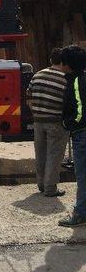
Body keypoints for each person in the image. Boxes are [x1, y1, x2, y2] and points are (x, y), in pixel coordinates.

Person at [27, 48, 69, 196]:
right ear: (64, 61)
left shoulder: (38, 75)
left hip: (38, 121)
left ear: (51, 60)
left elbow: (29, 98)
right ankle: (50, 188)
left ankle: (41, 184)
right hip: (56, 122)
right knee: (54, 155)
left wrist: (36, 113)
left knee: (41, 153)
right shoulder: (65, 78)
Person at [59, 44, 86, 227]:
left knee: (82, 176)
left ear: (68, 64)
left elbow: (80, 111)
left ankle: (80, 214)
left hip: (81, 134)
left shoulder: (76, 80)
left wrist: (67, 124)